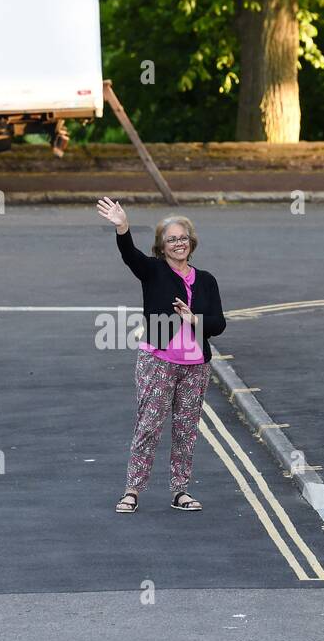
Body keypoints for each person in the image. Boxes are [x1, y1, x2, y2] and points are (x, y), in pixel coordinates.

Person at [96, 197, 226, 514]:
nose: (178, 243)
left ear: (191, 242)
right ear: (162, 246)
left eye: (183, 238)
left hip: (196, 367)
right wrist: (123, 227)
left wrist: (193, 319)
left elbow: (219, 324)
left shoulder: (206, 280)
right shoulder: (153, 271)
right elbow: (130, 256)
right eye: (171, 239)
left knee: (186, 431)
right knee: (149, 427)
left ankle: (180, 490)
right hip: (158, 362)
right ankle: (132, 491)